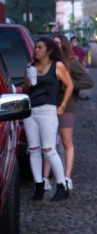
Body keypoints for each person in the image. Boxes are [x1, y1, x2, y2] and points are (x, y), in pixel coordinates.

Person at [21, 37, 73, 202]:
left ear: (49, 50)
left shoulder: (57, 66)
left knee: (49, 149)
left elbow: (69, 85)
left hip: (47, 110)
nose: (36, 50)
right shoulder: (30, 67)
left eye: (40, 47)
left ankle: (61, 185)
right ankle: (39, 185)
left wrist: (62, 105)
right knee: (33, 149)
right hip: (31, 111)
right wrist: (27, 83)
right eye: (35, 47)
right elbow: (27, 90)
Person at [54, 34, 94, 193]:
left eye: (58, 43)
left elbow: (88, 82)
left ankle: (67, 177)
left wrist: (69, 84)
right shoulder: (48, 62)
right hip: (49, 106)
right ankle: (47, 178)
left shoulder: (71, 62)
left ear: (64, 45)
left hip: (67, 106)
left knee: (66, 142)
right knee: (50, 144)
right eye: (52, 43)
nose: (55, 46)